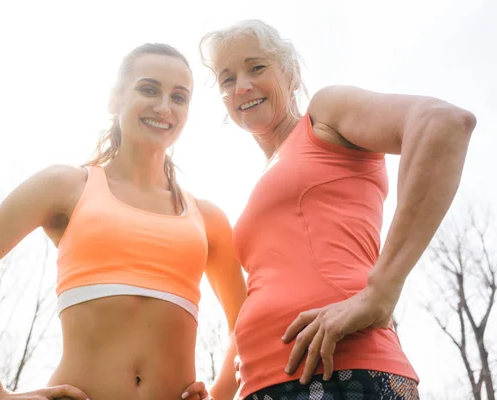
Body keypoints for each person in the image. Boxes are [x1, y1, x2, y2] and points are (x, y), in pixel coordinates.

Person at [0, 43, 246, 400]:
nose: (164, 106)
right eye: (148, 89)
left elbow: (246, 323)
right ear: (114, 100)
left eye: (179, 97)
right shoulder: (65, 187)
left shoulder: (207, 218)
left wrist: (221, 394)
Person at [200, 20, 476, 399]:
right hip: (261, 385)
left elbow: (443, 124)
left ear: (291, 73)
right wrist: (218, 393)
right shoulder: (264, 181)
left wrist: (380, 292)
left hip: (342, 369)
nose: (241, 86)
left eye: (257, 67)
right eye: (226, 79)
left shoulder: (324, 114)